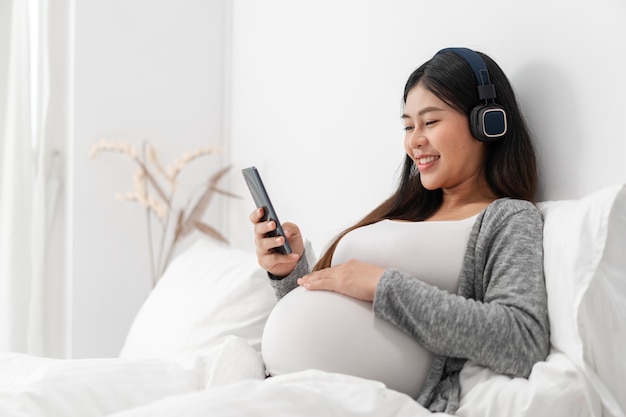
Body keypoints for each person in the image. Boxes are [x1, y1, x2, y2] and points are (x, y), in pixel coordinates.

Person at [248, 47, 550, 414]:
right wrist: (288, 272)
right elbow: (329, 320)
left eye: (430, 122)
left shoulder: (508, 218)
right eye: (408, 126)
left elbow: (521, 340)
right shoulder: (401, 211)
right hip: (283, 390)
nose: (414, 141)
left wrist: (381, 284)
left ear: (486, 121)